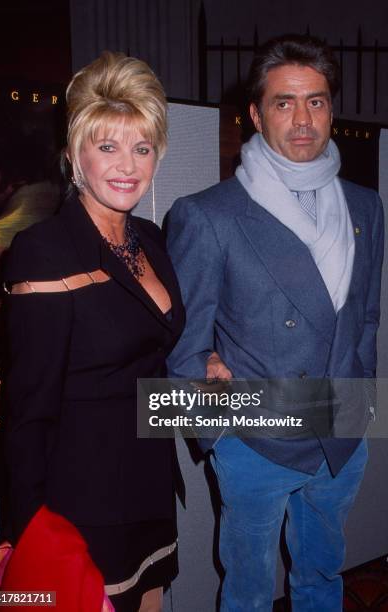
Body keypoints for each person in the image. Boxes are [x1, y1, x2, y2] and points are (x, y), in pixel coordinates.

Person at [166, 34, 384, 611]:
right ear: (256, 115)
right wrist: (220, 439)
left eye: (316, 100)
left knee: (323, 578)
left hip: (339, 435)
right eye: (284, 102)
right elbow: (184, 345)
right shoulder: (207, 215)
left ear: (332, 109)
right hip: (255, 444)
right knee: (248, 592)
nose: (303, 118)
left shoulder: (365, 206)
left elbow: (365, 318)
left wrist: (362, 401)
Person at [1, 51, 185, 612]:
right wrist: (24, 539)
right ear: (75, 156)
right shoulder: (42, 252)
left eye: (141, 147)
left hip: (150, 487)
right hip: (82, 508)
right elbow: (27, 414)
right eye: (107, 146)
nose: (126, 164)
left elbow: (143, 367)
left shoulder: (152, 239)